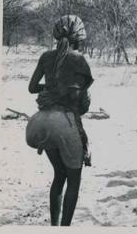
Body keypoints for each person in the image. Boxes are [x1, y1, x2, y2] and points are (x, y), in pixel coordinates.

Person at [26, 15, 93, 226]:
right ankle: (65, 228)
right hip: (64, 122)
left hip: (39, 122)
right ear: (79, 37)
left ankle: (53, 227)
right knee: (74, 179)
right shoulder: (79, 60)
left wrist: (50, 89)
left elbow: (32, 88)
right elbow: (79, 101)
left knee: (59, 175)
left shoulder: (46, 56)